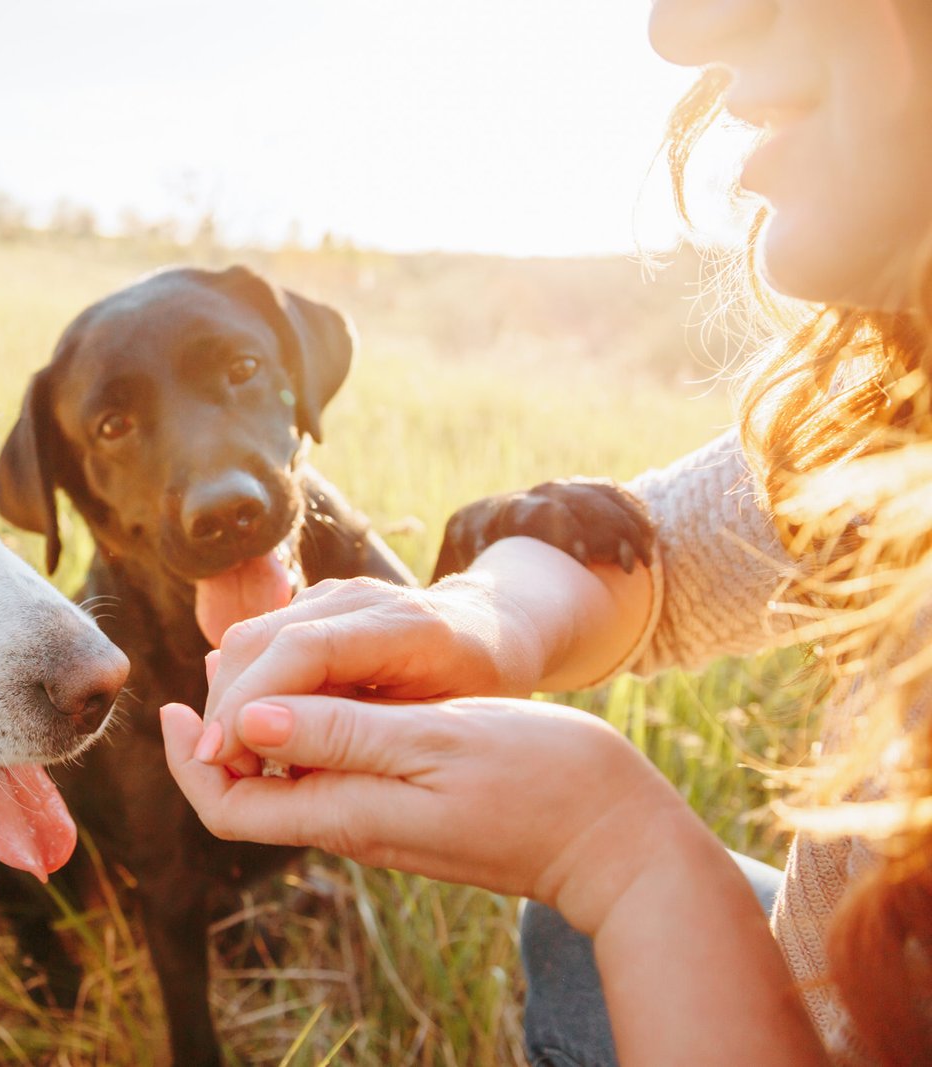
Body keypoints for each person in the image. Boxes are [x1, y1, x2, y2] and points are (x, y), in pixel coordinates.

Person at [159, 1, 932, 1065]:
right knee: (568, 932)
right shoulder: (900, 414)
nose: (678, 31)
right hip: (833, 989)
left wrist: (626, 856)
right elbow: (656, 538)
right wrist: (475, 622)